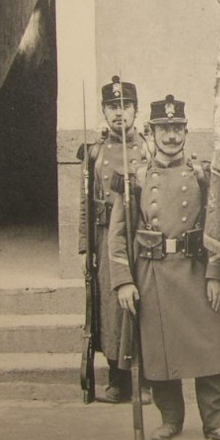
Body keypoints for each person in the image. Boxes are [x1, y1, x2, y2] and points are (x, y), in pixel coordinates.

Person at [108, 94, 220, 440]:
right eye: (163, 129)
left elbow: (218, 229)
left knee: (209, 350)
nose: (171, 136)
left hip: (194, 271)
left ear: (186, 131)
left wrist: (216, 274)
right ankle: (170, 418)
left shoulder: (202, 175)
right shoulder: (135, 178)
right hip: (153, 272)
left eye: (177, 128)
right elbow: (118, 235)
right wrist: (124, 281)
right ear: (151, 132)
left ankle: (215, 423)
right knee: (159, 351)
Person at [78, 75, 150, 404]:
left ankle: (146, 380)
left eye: (125, 106)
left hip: (140, 236)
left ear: (136, 110)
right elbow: (85, 202)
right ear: (104, 112)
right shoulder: (94, 152)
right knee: (110, 306)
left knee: (142, 303)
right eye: (112, 107)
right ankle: (116, 379)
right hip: (105, 234)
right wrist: (84, 246)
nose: (119, 113)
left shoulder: (148, 147)